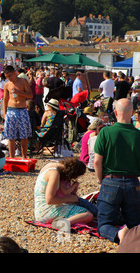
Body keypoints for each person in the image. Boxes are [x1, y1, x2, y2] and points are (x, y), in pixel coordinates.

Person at [94, 98, 140, 243]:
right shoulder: (138, 134)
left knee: (104, 225)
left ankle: (119, 235)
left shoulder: (106, 132)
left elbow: (97, 161)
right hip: (133, 182)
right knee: (136, 224)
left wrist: (101, 179)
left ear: (115, 112)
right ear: (132, 113)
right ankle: (130, 235)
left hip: (111, 179)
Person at [34, 157, 94, 227]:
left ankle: (61, 220)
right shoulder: (54, 173)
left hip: (39, 211)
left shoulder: (49, 166)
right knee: (88, 215)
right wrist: (69, 199)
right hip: (45, 212)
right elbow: (50, 200)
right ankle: (64, 223)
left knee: (79, 207)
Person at [2, 65, 33, 159]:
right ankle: (12, 157)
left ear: (15, 72)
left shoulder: (23, 82)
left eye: (10, 76)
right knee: (11, 136)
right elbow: (5, 99)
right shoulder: (7, 84)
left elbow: (30, 95)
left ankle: (24, 157)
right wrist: (4, 113)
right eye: (7, 76)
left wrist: (19, 93)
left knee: (24, 136)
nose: (9, 78)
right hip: (11, 110)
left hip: (22, 109)